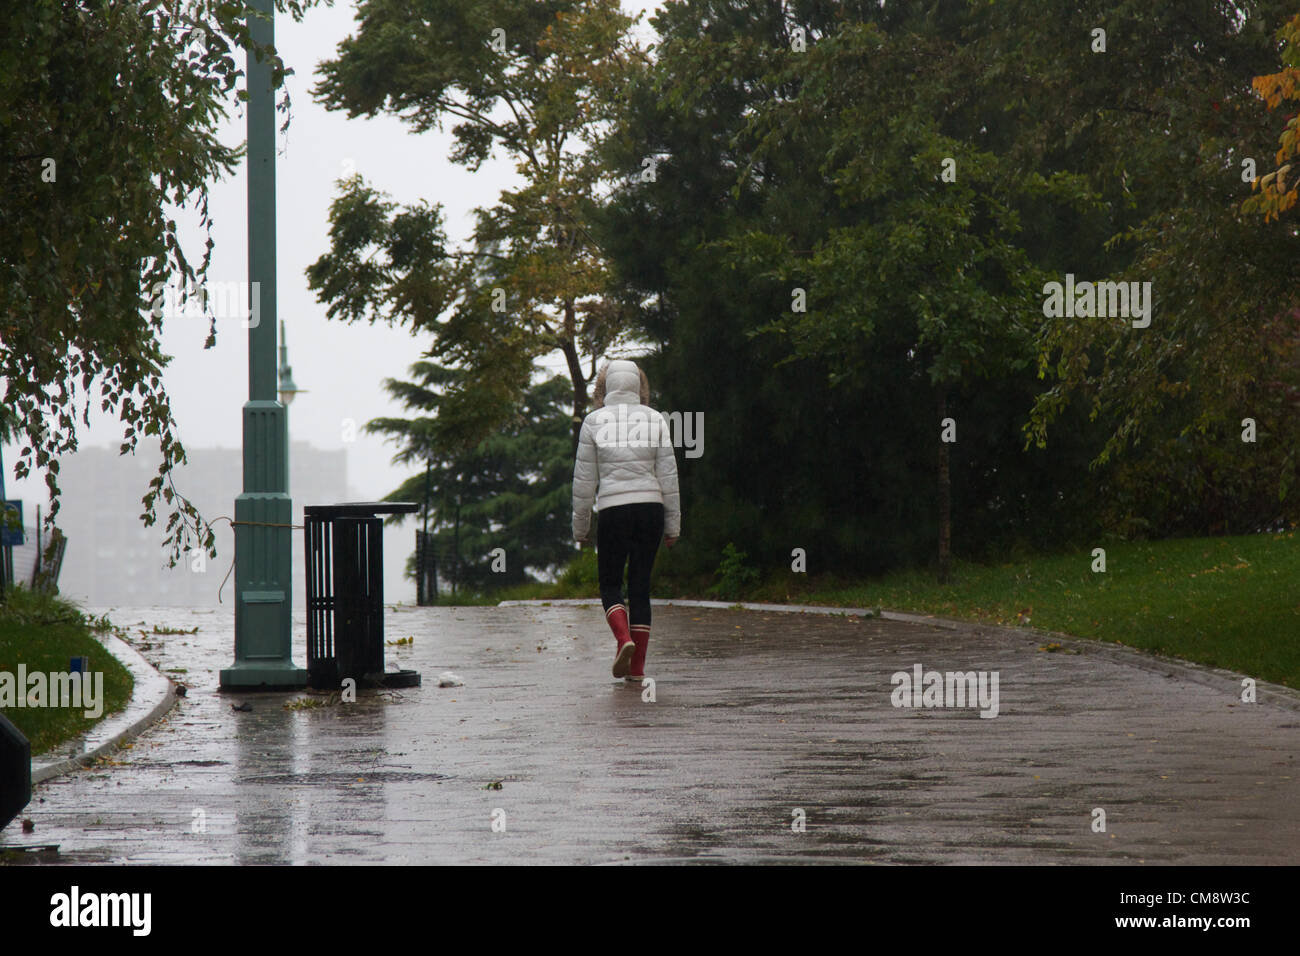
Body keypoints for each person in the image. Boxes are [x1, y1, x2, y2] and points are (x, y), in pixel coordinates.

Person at [572, 359, 681, 682]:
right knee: (640, 588)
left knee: (609, 583)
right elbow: (669, 477)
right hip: (651, 509)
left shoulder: (593, 422)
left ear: (604, 387)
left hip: (614, 510)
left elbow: (583, 483)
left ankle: (623, 640)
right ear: (640, 386)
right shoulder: (655, 420)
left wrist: (581, 528)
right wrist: (673, 526)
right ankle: (637, 670)